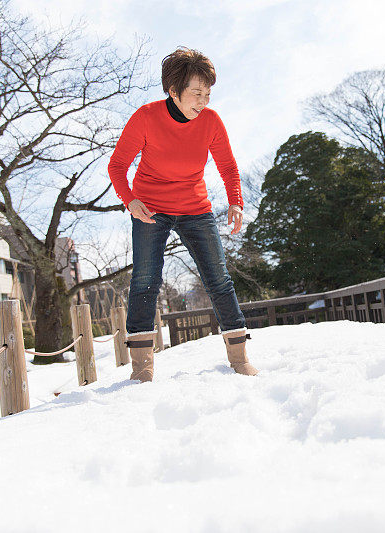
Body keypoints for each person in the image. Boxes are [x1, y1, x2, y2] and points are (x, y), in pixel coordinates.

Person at [108, 47, 257, 380]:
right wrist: (130, 200)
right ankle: (142, 369)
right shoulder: (146, 117)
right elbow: (117, 165)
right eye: (196, 93)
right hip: (150, 208)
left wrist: (235, 201)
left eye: (207, 93)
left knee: (218, 279)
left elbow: (228, 166)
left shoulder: (211, 121)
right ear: (173, 91)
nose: (203, 101)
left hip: (195, 207)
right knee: (145, 280)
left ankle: (239, 358)